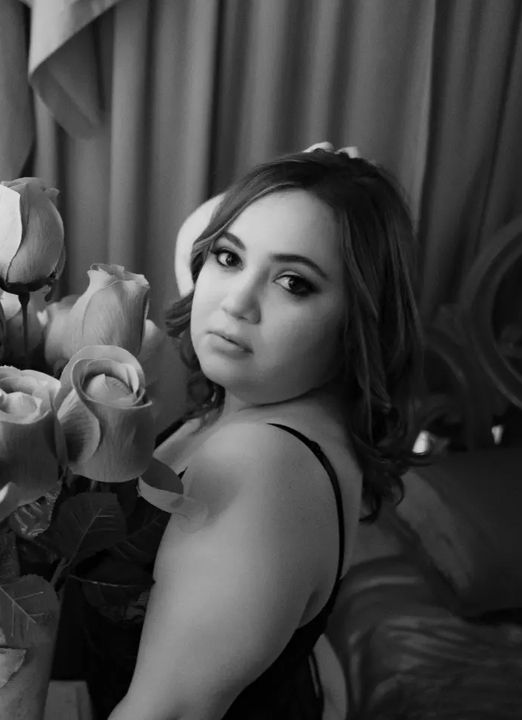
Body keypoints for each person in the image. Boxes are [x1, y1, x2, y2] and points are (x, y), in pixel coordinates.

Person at [107, 145, 424, 720]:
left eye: (294, 283)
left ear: (357, 320)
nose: (237, 303)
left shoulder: (259, 465)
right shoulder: (281, 406)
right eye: (228, 257)